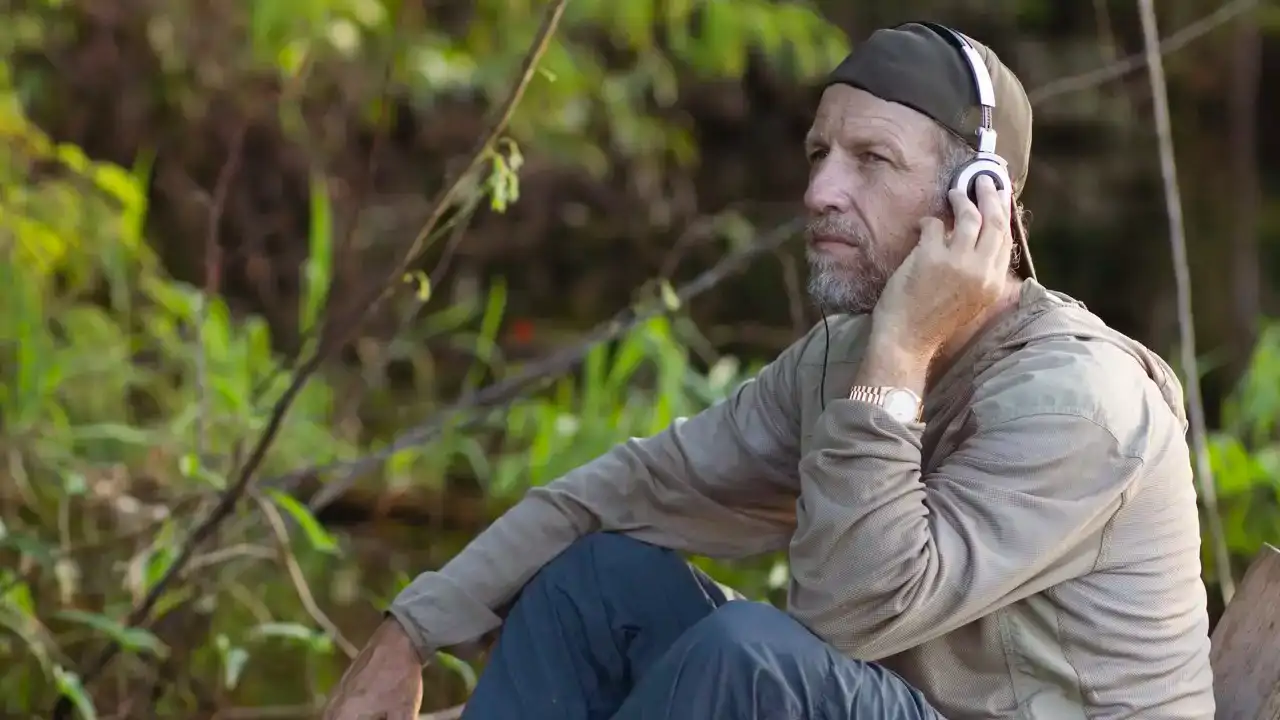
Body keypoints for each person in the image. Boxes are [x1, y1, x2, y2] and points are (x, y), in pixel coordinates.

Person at [321, 21, 1216, 720]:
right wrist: (413, 629)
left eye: (871, 161)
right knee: (594, 585)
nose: (822, 191)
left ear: (978, 200)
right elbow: (631, 486)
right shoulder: (839, 359)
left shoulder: (1081, 403)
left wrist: (899, 357)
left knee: (751, 664)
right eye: (820, 155)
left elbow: (845, 613)